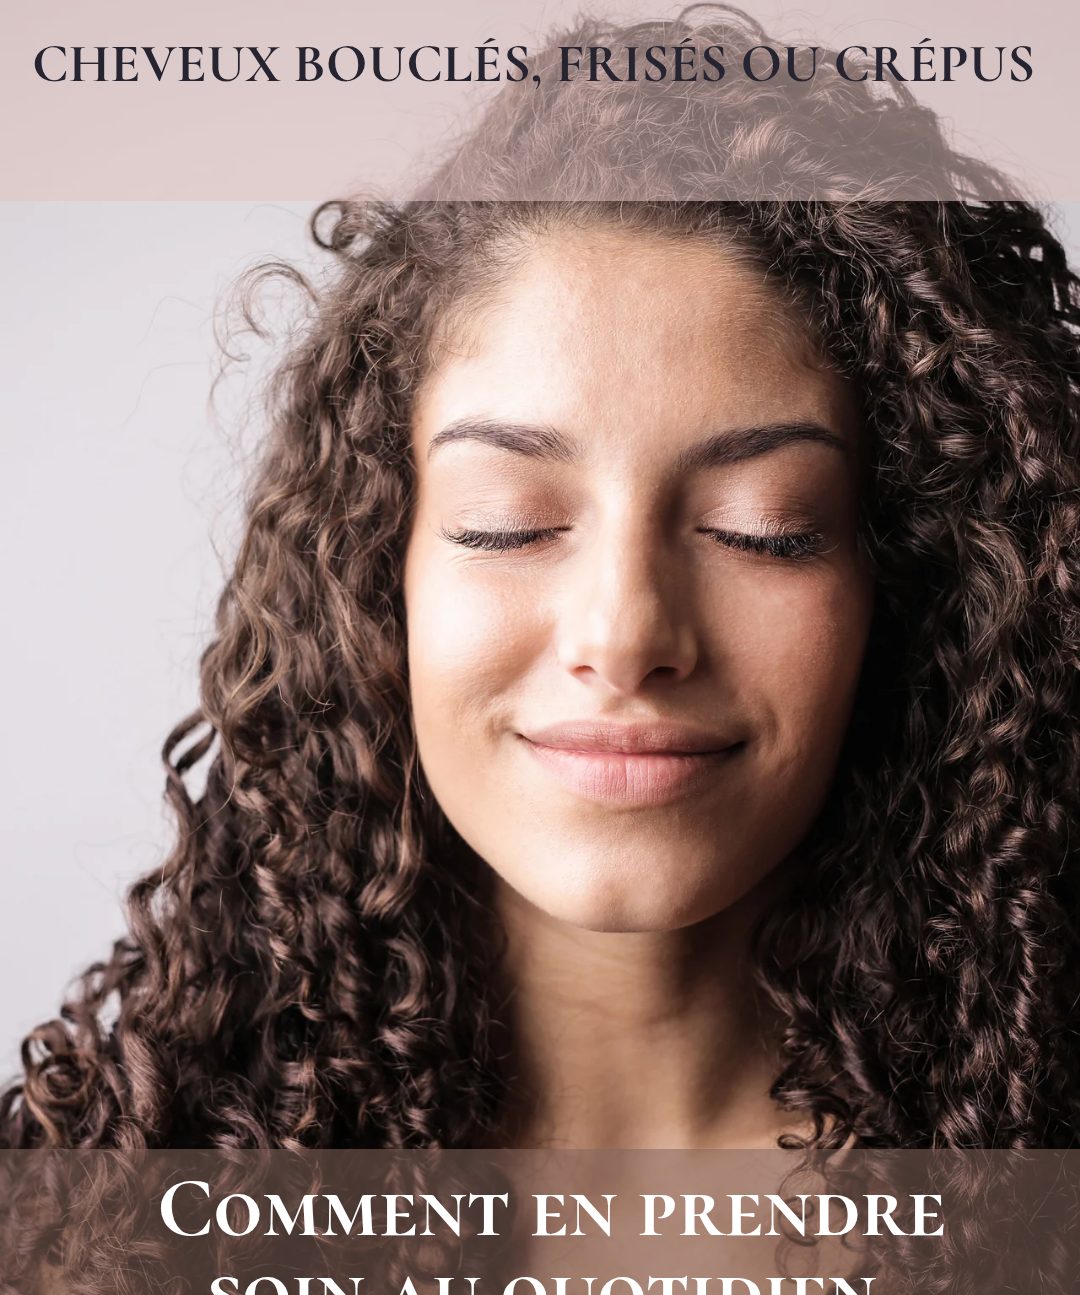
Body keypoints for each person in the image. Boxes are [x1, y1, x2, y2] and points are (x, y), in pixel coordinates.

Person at [4, 5, 1080, 1158]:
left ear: (913, 584)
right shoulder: (88, 1238)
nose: (625, 636)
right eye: (508, 526)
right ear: (375, 581)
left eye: (762, 529)